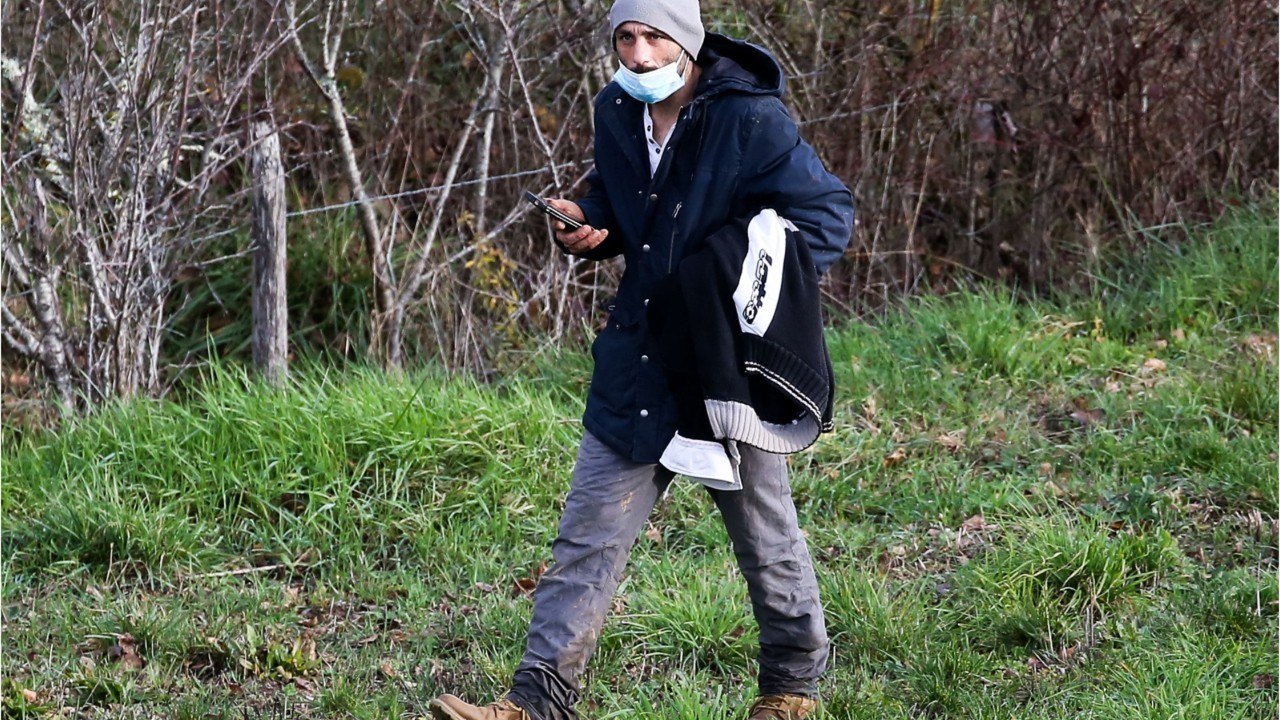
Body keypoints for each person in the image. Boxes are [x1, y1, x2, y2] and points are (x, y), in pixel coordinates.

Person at [429, 0, 853, 718]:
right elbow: (627, 206)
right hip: (639, 357)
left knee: (767, 539)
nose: (638, 53)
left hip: (725, 367)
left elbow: (826, 217)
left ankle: (790, 691)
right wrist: (591, 220)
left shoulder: (750, 119)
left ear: (686, 40)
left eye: (654, 35)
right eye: (625, 36)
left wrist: (726, 276)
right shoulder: (617, 110)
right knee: (585, 539)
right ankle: (535, 703)